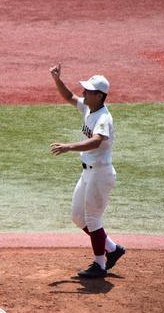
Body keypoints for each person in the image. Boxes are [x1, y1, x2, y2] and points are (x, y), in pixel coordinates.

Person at [49, 63, 126, 278]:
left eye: (89, 91)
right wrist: (57, 80)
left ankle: (99, 265)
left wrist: (68, 147)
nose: (84, 93)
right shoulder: (88, 107)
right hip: (88, 173)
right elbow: (69, 97)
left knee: (92, 219)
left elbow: (96, 141)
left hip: (100, 173)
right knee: (77, 216)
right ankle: (111, 248)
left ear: (100, 96)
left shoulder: (103, 118)